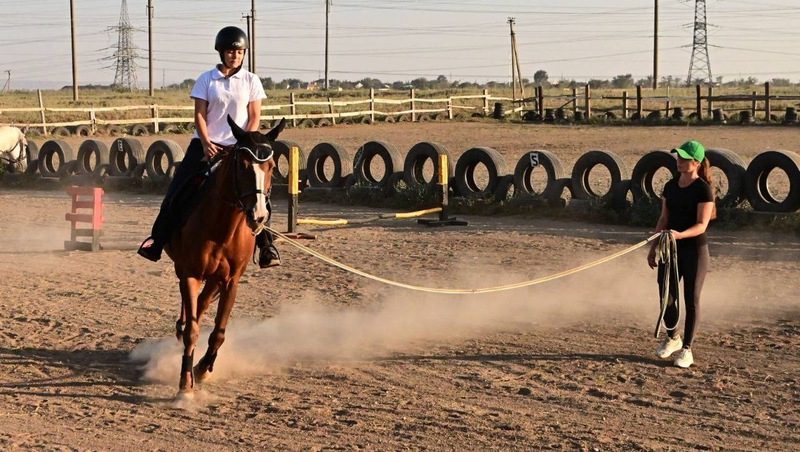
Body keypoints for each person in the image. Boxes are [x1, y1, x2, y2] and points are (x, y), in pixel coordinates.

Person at [137, 26, 280, 268]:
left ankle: (266, 246)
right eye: (230, 51)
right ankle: (157, 241)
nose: (234, 55)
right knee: (177, 191)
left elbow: (254, 116)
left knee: (259, 194)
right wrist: (205, 143)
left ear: (244, 53)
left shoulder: (251, 80)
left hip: (240, 147)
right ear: (221, 52)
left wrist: (243, 142)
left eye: (239, 51)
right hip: (205, 144)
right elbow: (200, 115)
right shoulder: (206, 80)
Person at [646, 140, 715, 368]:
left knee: (691, 299)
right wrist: (653, 247)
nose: (679, 161)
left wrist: (679, 235)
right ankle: (673, 337)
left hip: (694, 250)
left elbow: (701, 225)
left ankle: (687, 349)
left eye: (684, 158)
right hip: (670, 248)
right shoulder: (671, 186)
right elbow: (663, 218)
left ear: (696, 162)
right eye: (678, 157)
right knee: (667, 295)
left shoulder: (702, 189)